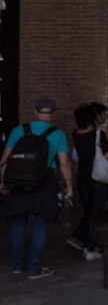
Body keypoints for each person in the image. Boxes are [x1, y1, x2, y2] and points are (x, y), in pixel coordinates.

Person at [0, 97, 73, 278]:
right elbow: (64, 164)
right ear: (54, 113)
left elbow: (4, 160)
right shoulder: (57, 134)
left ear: (35, 111)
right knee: (41, 224)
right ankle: (35, 268)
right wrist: (69, 187)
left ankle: (17, 265)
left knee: (18, 223)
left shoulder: (19, 131)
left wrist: (3, 181)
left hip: (17, 181)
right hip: (45, 182)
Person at [66, 103, 108, 260]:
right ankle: (89, 246)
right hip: (97, 178)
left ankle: (80, 238)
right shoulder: (100, 134)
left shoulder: (75, 134)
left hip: (82, 178)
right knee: (96, 214)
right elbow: (107, 155)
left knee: (89, 212)